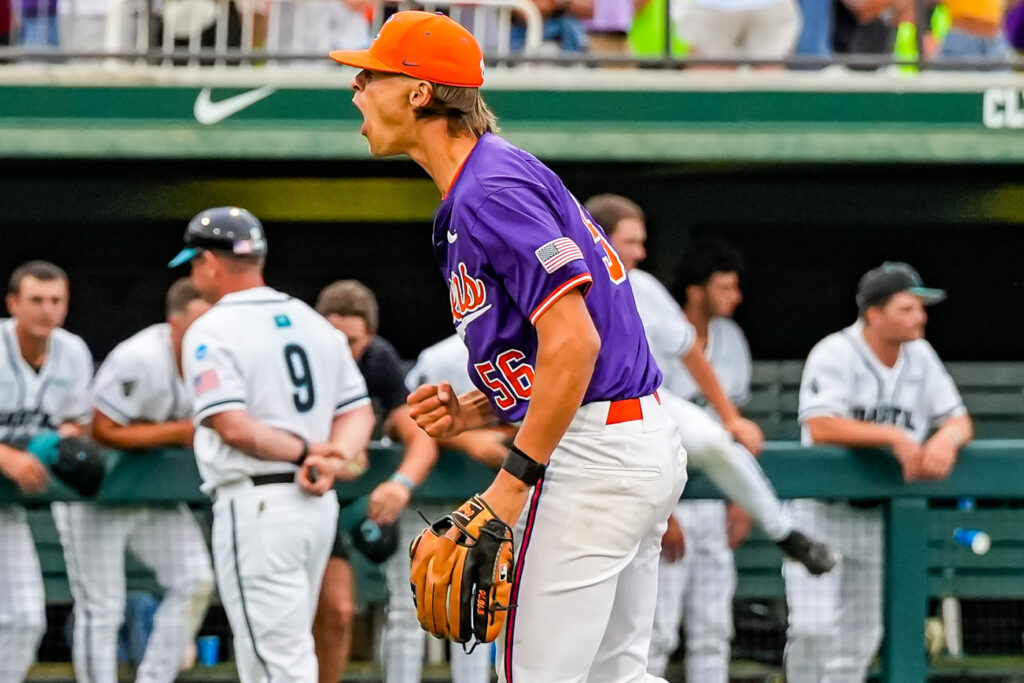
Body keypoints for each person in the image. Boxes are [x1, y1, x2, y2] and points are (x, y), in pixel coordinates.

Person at [329, 14, 688, 681]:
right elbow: (564, 350)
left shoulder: (490, 189)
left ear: (417, 93)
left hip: (591, 453)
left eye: (370, 73)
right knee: (619, 676)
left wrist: (510, 480)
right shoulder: (495, 177)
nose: (355, 84)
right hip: (626, 438)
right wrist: (480, 409)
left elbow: (576, 342)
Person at [583, 195, 834, 682]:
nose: (638, 252)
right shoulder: (564, 278)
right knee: (642, 635)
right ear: (598, 234)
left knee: (719, 443)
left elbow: (687, 351)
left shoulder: (641, 286)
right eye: (631, 241)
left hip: (647, 401)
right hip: (592, 422)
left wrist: (728, 417)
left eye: (641, 242)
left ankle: (784, 532)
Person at [169, 206, 376, 683]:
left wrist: (310, 455)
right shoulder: (310, 320)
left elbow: (233, 427)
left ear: (210, 261)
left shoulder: (212, 327)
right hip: (314, 505)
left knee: (276, 664)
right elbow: (357, 411)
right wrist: (332, 458)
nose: (195, 273)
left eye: (195, 262)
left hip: (258, 503)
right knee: (287, 654)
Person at [786, 261, 973, 683]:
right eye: (908, 308)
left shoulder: (921, 357)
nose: (920, 317)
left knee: (863, 635)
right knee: (813, 630)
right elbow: (820, 425)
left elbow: (959, 419)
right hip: (822, 514)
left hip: (877, 518)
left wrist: (946, 439)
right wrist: (892, 436)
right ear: (874, 313)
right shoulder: (835, 351)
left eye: (921, 308)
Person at [52, 278, 216, 683]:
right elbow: (100, 430)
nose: (205, 333)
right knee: (102, 608)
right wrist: (178, 432)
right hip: (96, 494)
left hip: (152, 496)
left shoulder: (215, 361)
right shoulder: (139, 357)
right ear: (173, 322)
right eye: (197, 323)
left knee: (195, 579)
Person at [311, 279, 439, 683]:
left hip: (342, 514)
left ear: (369, 336)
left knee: (339, 612)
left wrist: (400, 483)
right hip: (282, 501)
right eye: (333, 338)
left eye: (351, 341)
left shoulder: (378, 360)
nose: (342, 351)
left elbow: (420, 435)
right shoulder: (298, 357)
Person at [382, 332, 514, 683]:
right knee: (406, 609)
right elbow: (404, 421)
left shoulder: (534, 344)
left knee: (478, 604)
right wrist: (468, 439)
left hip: (495, 501)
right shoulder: (442, 356)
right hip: (430, 500)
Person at [0, 260, 93, 682]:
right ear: (13, 303)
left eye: (56, 301)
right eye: (36, 300)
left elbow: (78, 422)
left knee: (25, 617)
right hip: (7, 477)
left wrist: (69, 434)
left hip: (8, 506)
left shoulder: (72, 351)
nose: (47, 310)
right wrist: (6, 456)